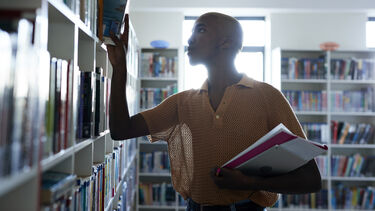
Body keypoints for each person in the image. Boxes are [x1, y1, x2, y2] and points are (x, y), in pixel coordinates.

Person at [107, 12, 322, 211]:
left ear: (226, 42)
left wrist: (251, 183)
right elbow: (121, 130)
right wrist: (119, 69)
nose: (189, 40)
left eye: (200, 30)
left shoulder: (268, 97)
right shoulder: (183, 102)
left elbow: (311, 179)